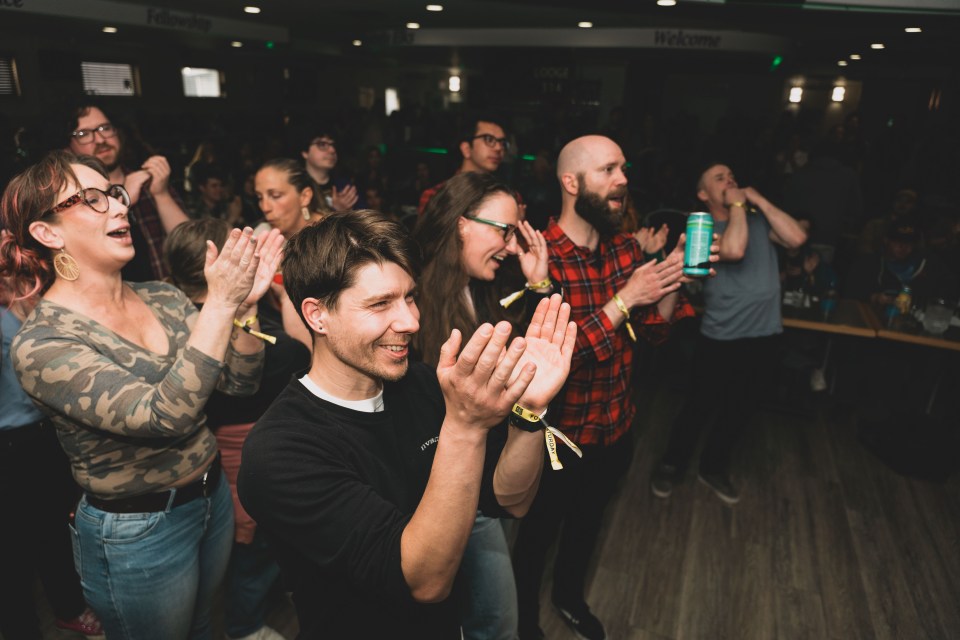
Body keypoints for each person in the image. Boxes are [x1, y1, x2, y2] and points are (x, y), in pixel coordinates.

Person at [238, 211, 577, 639]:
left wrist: (530, 412)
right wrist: (466, 426)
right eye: (380, 304)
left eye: (410, 298)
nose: (411, 322)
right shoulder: (279, 452)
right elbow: (424, 580)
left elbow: (510, 500)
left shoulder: (418, 383)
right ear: (317, 315)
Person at [1, 149, 283, 640]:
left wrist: (245, 308)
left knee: (199, 626)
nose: (118, 206)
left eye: (112, 193)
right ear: (47, 233)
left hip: (211, 496)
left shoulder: (163, 296)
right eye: (90, 199)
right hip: (138, 531)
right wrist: (220, 303)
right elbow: (162, 417)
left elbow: (240, 382)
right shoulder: (44, 343)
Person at [513, 135, 698, 640]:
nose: (623, 180)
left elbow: (657, 332)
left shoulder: (623, 249)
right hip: (558, 441)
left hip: (615, 428)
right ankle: (525, 621)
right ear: (571, 183)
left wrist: (671, 278)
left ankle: (569, 598)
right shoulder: (539, 258)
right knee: (536, 537)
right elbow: (559, 357)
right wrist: (624, 299)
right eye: (609, 170)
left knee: (587, 526)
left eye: (624, 169)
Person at [413, 172, 550, 640]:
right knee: (495, 621)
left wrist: (539, 285)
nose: (512, 246)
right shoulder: (412, 302)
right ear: (460, 224)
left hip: (490, 478)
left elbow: (531, 353)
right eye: (504, 230)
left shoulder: (487, 287)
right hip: (445, 491)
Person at [166, 219, 310, 640]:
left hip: (214, 455)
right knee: (255, 551)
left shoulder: (174, 323)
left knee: (238, 553)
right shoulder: (261, 343)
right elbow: (303, 354)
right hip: (243, 455)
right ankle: (246, 627)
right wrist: (283, 296)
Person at [650, 162, 807, 505]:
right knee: (699, 406)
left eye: (732, 175)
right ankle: (671, 464)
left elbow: (797, 238)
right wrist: (738, 205)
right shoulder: (702, 229)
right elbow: (734, 250)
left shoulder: (758, 220)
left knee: (741, 409)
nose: (730, 179)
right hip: (720, 337)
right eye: (719, 178)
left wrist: (758, 200)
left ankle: (713, 467)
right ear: (703, 194)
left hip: (765, 335)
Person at [1, 281, 103, 639]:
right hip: (10, 444)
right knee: (13, 548)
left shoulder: (24, 302)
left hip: (43, 433)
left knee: (54, 527)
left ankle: (68, 608)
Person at [63, 102, 190, 281]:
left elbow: (191, 247)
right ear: (68, 146)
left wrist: (161, 193)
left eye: (105, 128)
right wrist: (124, 199)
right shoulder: (72, 198)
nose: (100, 140)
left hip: (167, 299)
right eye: (83, 134)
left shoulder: (147, 182)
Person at [418, 116, 511, 214]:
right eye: (489, 139)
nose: (498, 148)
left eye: (502, 143)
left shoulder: (508, 197)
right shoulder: (436, 195)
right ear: (466, 148)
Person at [298, 125, 364, 212]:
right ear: (305, 152)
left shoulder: (344, 187)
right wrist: (336, 211)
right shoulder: (296, 186)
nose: (332, 150)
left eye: (333, 145)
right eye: (322, 144)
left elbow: (365, 220)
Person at [253, 158, 325, 238]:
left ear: (305, 197)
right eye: (260, 197)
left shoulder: (333, 234)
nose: (265, 208)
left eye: (275, 196)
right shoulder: (262, 235)